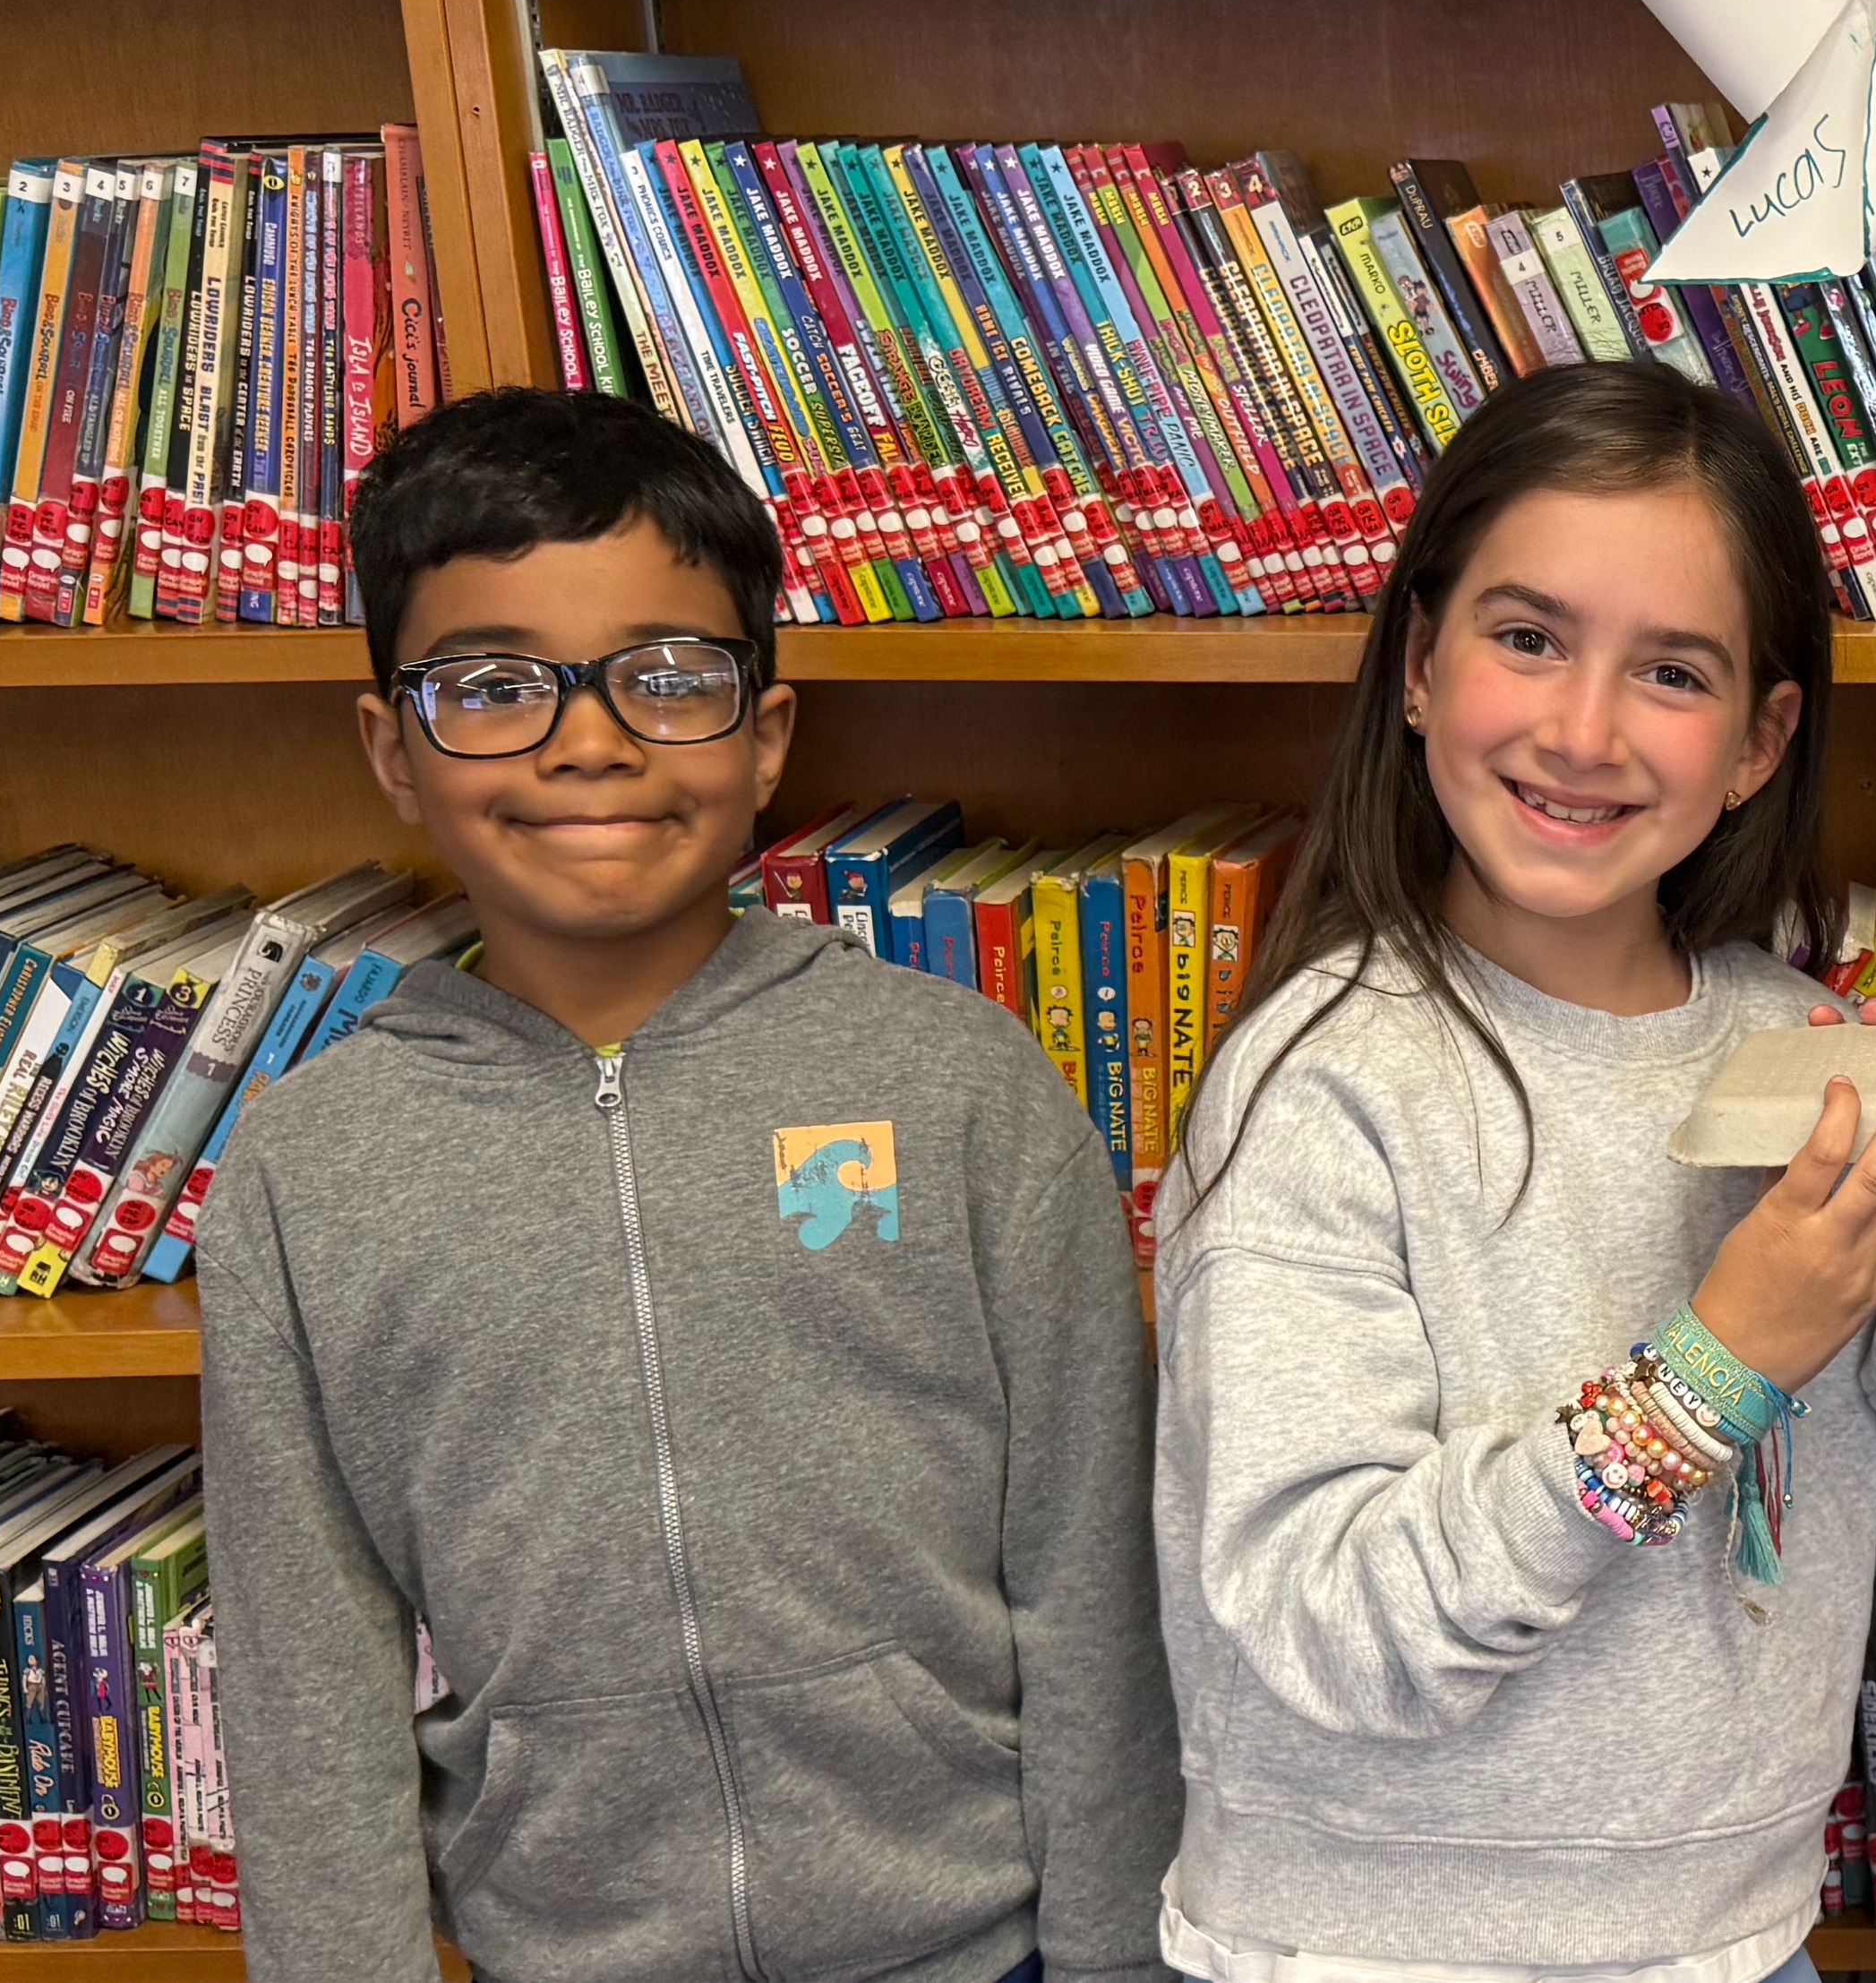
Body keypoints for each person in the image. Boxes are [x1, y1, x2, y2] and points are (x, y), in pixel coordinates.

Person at [201, 387, 1178, 1983]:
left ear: (768, 732)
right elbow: (307, 1676)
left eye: (668, 679)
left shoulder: (960, 1087)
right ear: (393, 747)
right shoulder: (311, 1175)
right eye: (496, 685)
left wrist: (1119, 1962)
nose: (590, 742)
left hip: (977, 1947)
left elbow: (1093, 1574)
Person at [1151, 359, 1876, 1983]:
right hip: (1376, 1953)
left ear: (1758, 739)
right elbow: (1325, 1620)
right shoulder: (1323, 1085)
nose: (1582, 730)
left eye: (1670, 672)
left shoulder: (1799, 1052)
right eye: (1527, 639)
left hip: (1731, 1937)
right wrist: (1719, 1364)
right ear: (1423, 661)